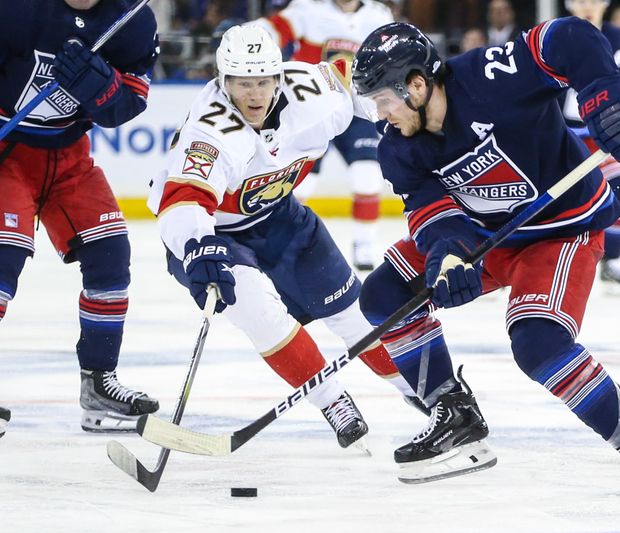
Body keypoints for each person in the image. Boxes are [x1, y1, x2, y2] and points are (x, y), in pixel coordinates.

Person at [352, 20, 620, 493]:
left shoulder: (490, 77)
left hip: (562, 230)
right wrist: (447, 252)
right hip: (486, 236)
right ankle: (454, 413)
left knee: (538, 344)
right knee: (384, 294)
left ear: (417, 84)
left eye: (383, 99)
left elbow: (571, 38)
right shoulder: (398, 147)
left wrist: (602, 95)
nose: (380, 113)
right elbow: (432, 211)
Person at [147, 24, 420, 450]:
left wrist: (414, 110)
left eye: (262, 81)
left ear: (278, 77)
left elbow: (360, 82)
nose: (253, 95)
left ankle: (425, 392)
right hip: (217, 233)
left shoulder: (314, 93)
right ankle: (331, 400)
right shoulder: (211, 132)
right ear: (223, 81)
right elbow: (181, 201)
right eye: (241, 83)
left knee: (353, 314)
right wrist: (197, 249)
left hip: (281, 218)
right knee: (258, 309)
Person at [0, 0, 160, 433]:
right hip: (7, 154)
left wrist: (101, 86)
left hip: (69, 156)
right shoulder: (17, 9)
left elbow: (122, 110)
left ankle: (98, 387)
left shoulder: (132, 20)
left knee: (110, 256)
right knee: (2, 262)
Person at [251, 0, 395, 271]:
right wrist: (247, 37)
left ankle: (364, 245)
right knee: (300, 183)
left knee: (367, 175)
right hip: (311, 109)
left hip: (358, 109)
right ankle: (280, 241)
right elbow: (273, 29)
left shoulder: (378, 15)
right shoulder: (309, 9)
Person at [563, 0, 620, 289]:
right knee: (534, 204)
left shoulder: (617, 38)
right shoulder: (555, 36)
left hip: (600, 137)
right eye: (580, 0)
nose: (588, 6)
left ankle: (611, 261)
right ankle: (500, 266)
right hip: (561, 138)